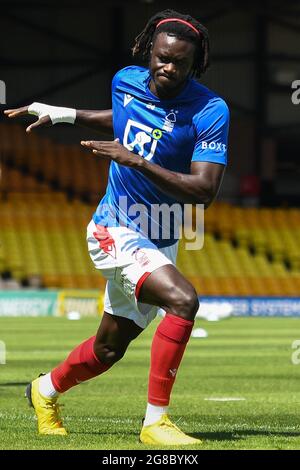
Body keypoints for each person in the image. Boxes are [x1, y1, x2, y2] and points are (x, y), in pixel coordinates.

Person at [4, 9, 229, 446]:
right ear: (150, 51)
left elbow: (204, 190)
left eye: (180, 63)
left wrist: (137, 161)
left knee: (108, 350)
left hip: (161, 236)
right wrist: (65, 114)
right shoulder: (125, 79)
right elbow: (125, 116)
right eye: (163, 58)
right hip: (115, 229)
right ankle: (155, 423)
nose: (169, 67)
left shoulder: (210, 109)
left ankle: (44, 390)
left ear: (195, 64)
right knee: (183, 301)